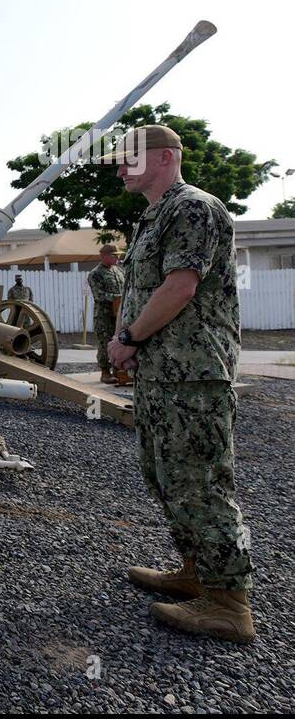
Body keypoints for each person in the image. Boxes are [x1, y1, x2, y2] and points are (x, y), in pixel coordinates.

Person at [102, 124, 254, 643]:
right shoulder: (154, 215)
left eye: (128, 158)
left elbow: (180, 287)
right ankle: (197, 573)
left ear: (164, 158)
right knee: (165, 475)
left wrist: (128, 337)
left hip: (194, 373)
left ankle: (230, 604)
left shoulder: (193, 207)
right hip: (165, 372)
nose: (120, 167)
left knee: (200, 481)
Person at [87, 244, 127, 385]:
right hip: (104, 316)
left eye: (118, 255)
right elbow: (99, 295)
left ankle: (119, 371)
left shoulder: (119, 271)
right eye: (114, 255)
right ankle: (105, 372)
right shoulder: (95, 274)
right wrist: (118, 297)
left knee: (120, 341)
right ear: (104, 256)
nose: (118, 257)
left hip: (119, 314)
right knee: (105, 343)